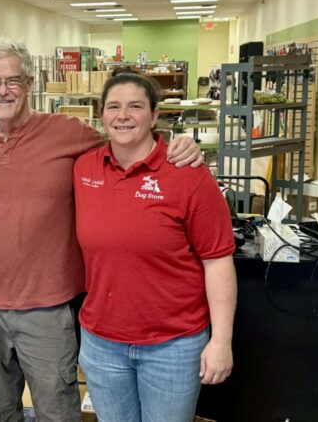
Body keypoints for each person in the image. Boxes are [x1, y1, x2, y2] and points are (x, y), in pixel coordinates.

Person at [0, 37, 204, 422]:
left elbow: (129, 140)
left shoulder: (67, 131)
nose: (3, 90)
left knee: (57, 412)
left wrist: (181, 147)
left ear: (30, 84)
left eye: (13, 80)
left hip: (48, 306)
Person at [73, 69, 237, 422]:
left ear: (154, 115)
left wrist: (221, 340)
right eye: (113, 106)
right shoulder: (84, 168)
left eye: (135, 106)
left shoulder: (188, 174)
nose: (123, 115)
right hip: (102, 343)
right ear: (101, 115)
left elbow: (218, 261)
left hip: (173, 347)